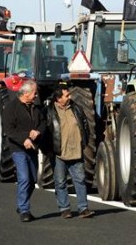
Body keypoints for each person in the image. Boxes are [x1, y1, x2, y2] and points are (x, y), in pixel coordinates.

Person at [45, 84, 95, 219]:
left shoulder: (76, 108)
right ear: (58, 98)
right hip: (59, 153)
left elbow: (85, 125)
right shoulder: (49, 112)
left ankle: (83, 208)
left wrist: (84, 142)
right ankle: (65, 208)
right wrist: (48, 150)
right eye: (66, 95)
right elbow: (46, 132)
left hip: (76, 151)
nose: (70, 97)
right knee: (60, 182)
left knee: (80, 180)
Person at [2, 80, 45, 222]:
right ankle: (24, 210)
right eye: (34, 93)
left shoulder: (36, 107)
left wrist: (38, 132)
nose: (36, 95)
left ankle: (22, 204)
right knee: (24, 178)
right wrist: (24, 138)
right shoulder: (11, 108)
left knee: (32, 180)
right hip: (18, 148)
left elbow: (43, 123)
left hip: (33, 148)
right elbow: (9, 130)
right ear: (26, 93)